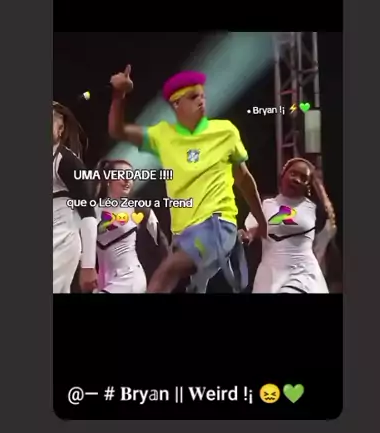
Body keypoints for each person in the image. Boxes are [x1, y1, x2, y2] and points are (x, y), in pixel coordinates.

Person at [107, 65, 268, 293]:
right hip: (182, 236)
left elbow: (244, 179)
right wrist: (119, 95)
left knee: (167, 270)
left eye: (202, 96)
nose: (201, 101)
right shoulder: (163, 135)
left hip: (217, 225)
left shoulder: (225, 131)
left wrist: (261, 221)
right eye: (193, 97)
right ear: (176, 104)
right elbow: (117, 131)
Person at [242, 157, 336, 294]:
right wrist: (246, 236)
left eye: (303, 178)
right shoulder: (265, 205)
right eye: (293, 173)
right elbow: (252, 231)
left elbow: (323, 243)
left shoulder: (315, 209)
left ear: (308, 186)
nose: (296, 179)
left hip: (303, 272)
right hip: (271, 274)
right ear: (283, 175)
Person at [94, 158, 170, 293]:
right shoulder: (93, 211)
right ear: (108, 179)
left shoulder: (139, 209)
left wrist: (165, 279)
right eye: (121, 175)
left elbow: (162, 244)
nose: (127, 180)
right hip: (103, 280)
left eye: (130, 176)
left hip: (130, 278)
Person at [52, 102, 98, 293]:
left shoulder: (67, 161)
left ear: (60, 129)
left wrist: (88, 265)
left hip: (63, 240)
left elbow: (88, 214)